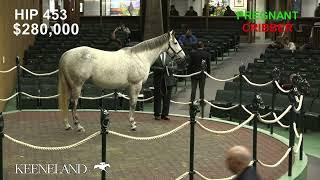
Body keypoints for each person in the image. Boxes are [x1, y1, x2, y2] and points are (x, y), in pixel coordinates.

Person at [152, 52, 177, 120]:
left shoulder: (170, 56)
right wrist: (159, 69)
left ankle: (165, 114)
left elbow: (175, 66)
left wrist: (170, 68)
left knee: (167, 98)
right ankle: (157, 114)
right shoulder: (155, 56)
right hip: (158, 80)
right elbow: (151, 67)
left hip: (168, 80)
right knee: (157, 98)